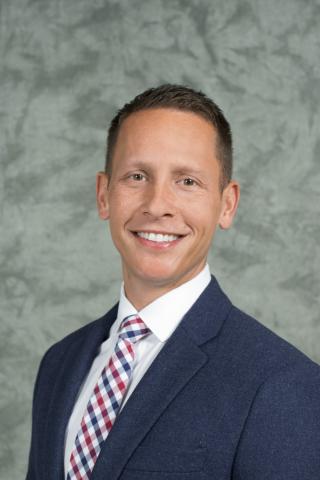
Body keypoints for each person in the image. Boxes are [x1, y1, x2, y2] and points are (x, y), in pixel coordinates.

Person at [26, 84, 320, 480]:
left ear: (227, 204)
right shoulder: (59, 364)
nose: (157, 205)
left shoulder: (281, 385)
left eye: (187, 182)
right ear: (103, 195)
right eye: (136, 175)